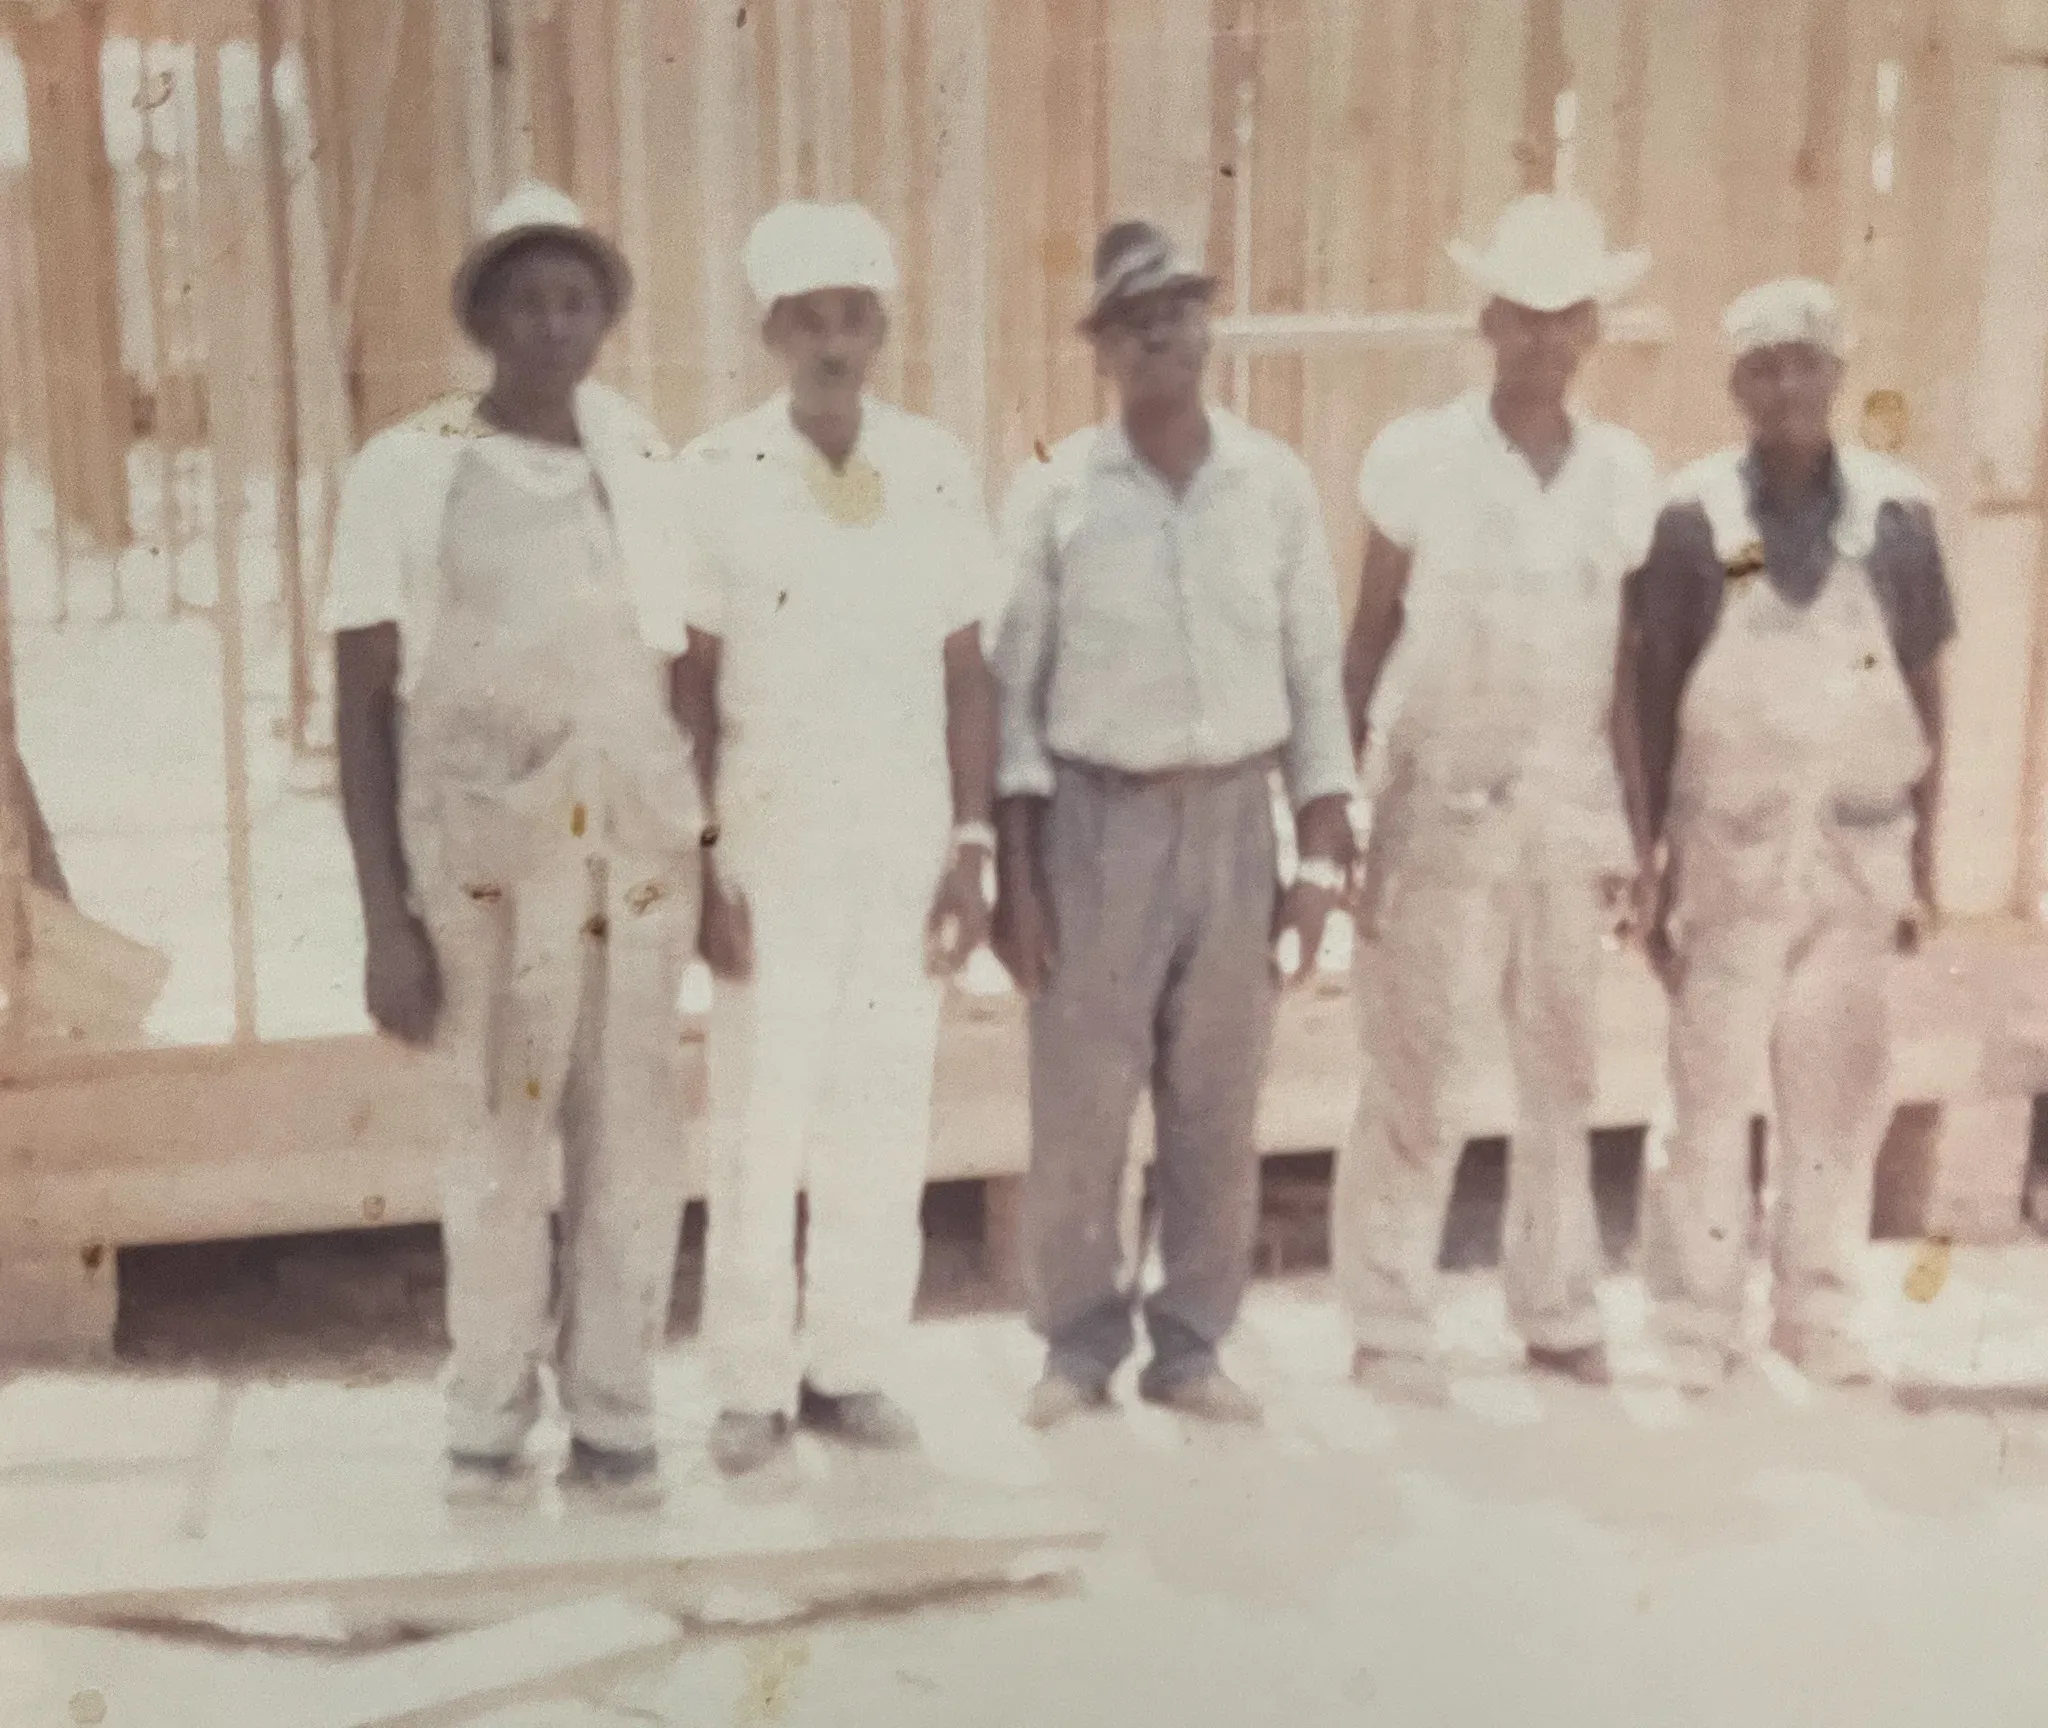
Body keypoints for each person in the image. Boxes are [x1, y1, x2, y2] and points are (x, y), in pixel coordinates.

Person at [328, 182, 703, 1509]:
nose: (554, 325)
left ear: (603, 317)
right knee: (494, 1148)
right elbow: (362, 697)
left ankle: (615, 1412)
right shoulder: (409, 465)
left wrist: (692, 840)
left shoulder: (641, 456)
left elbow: (686, 658)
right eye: (527, 300)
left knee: (633, 1145)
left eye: (576, 300)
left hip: (633, 855)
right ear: (486, 316)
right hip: (483, 859)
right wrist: (386, 920)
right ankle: (486, 1419)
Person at [990, 219, 1355, 1430]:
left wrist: (1319, 853)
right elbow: (1013, 690)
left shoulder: (1273, 483)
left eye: (1181, 308)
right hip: (1097, 819)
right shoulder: (1054, 492)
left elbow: (1313, 673)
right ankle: (1077, 1344)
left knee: (1216, 1100)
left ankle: (1190, 1343)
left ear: (1208, 325)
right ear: (1100, 346)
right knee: (1082, 1101)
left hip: (1234, 823)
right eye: (1134, 317)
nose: (1162, 332)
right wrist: (1017, 874)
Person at [670, 201, 1003, 1477]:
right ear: (767, 330)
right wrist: (700, 858)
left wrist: (969, 844)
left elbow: (965, 671)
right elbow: (689, 686)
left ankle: (850, 1366)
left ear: (881, 327)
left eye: (852, 316)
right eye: (806, 318)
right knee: (761, 1117)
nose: (830, 341)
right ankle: (749, 1385)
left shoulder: (927, 464)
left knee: (882, 1109)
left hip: (902, 839)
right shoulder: (713, 475)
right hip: (768, 838)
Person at [1333, 193, 1659, 1406]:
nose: (1540, 342)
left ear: (1590, 329)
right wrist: (1343, 804)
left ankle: (1556, 1303)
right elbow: (1364, 640)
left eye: (1563, 319)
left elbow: (1621, 667)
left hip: (1566, 810)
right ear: (1486, 321)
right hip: (1435, 799)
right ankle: (1387, 1317)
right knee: (1417, 1062)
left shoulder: (1623, 474)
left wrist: (1639, 821)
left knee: (1560, 1070)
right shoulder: (1417, 455)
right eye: (1519, 319)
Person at [1621, 277, 1953, 1393]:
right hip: (1730, 846)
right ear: (1734, 386)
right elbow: (1651, 687)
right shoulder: (1694, 518)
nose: (1785, 385)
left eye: (1804, 361)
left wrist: (1924, 855)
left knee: (1835, 1096)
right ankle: (1692, 1325)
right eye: (1761, 366)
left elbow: (1923, 688)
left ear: (1837, 375)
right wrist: (1650, 852)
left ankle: (1815, 1313)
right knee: (1708, 1096)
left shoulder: (1897, 519)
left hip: (1856, 848)